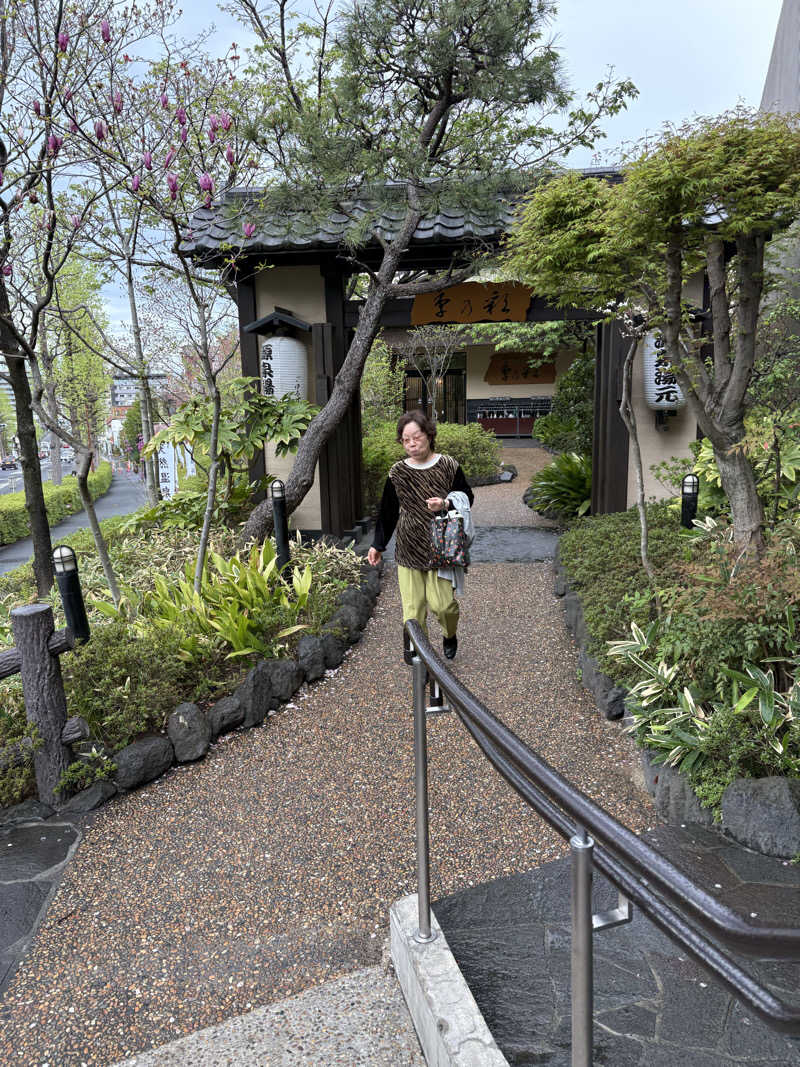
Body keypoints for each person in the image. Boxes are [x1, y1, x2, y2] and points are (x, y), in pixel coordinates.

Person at [367, 410, 474, 663]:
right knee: (413, 612)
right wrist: (377, 544)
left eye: (417, 437)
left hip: (442, 546)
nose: (412, 444)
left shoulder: (448, 465)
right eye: (406, 440)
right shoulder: (397, 473)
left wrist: (447, 503)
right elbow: (388, 512)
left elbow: (467, 497)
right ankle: (423, 660)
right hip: (408, 547)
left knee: (443, 606)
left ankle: (450, 634)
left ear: (429, 435)